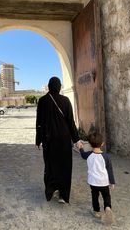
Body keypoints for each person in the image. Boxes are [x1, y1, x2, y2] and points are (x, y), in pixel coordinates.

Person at [35, 76, 80, 204]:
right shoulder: (65, 101)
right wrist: (76, 139)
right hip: (64, 140)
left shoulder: (42, 101)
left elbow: (39, 123)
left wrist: (38, 140)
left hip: (48, 140)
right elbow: (71, 122)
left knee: (50, 165)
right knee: (64, 166)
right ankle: (63, 194)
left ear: (49, 86)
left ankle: (50, 190)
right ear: (59, 87)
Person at [77, 132, 116, 224]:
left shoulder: (88, 155)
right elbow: (109, 169)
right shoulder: (106, 156)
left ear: (90, 144)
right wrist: (112, 182)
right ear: (102, 144)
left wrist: (81, 147)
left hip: (93, 182)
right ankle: (107, 207)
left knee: (95, 196)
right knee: (106, 196)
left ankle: (96, 211)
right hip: (104, 182)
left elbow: (82, 155)